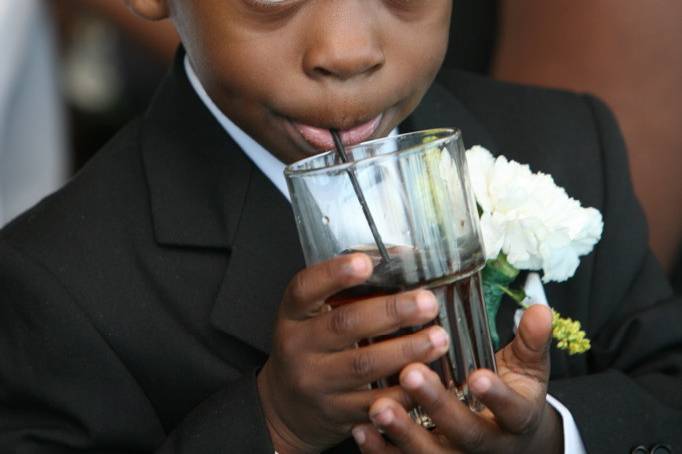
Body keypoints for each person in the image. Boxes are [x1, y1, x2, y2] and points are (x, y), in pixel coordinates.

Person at [0, 1, 680, 453]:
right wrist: (273, 424)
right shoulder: (55, 284)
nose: (348, 50)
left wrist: (554, 438)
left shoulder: (567, 142)